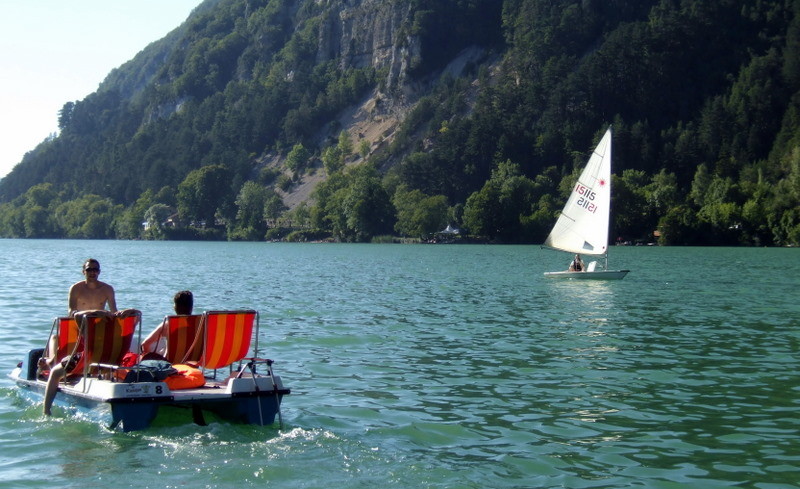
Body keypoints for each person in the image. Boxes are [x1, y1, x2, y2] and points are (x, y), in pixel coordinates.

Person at [40, 258, 118, 415]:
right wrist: (92, 313)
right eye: (89, 270)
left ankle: (45, 410)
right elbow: (72, 312)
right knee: (55, 339)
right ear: (84, 272)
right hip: (79, 329)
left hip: (97, 334)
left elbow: (114, 313)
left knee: (56, 370)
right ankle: (50, 362)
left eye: (96, 269)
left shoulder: (108, 289)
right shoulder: (76, 288)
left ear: (99, 271)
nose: (93, 272)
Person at [141, 290, 194, 356]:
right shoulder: (200, 324)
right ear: (191, 307)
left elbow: (145, 344)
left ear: (175, 307)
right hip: (192, 364)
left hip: (169, 364)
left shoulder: (168, 324)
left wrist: (150, 359)